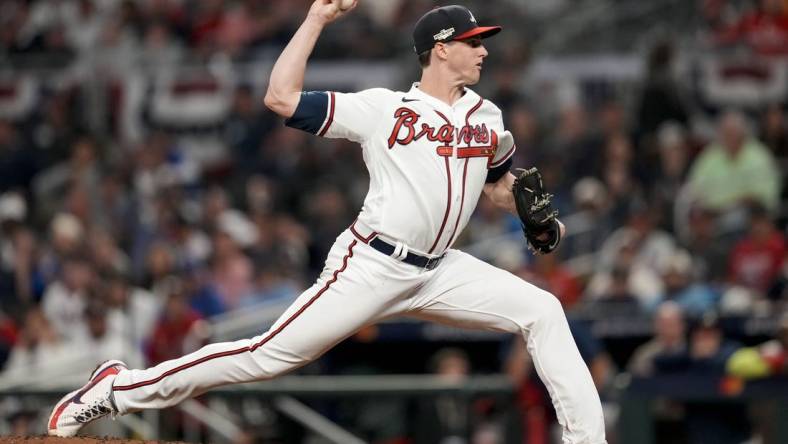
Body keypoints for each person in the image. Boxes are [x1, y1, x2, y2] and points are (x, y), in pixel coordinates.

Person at [48, 3, 606, 443]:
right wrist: (316, 18)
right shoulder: (384, 108)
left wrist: (527, 211)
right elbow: (280, 97)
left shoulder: (488, 115)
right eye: (473, 41)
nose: (483, 50)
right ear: (439, 50)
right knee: (262, 357)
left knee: (544, 311)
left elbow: (498, 187)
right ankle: (118, 389)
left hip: (441, 270)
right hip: (372, 264)